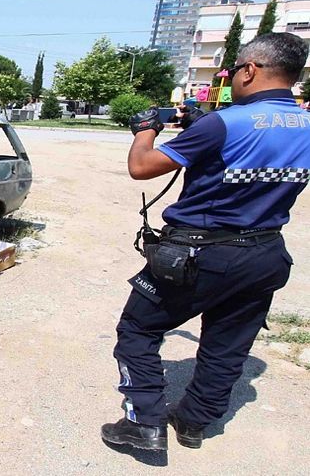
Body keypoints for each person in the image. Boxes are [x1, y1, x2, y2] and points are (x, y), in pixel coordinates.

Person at [101, 32, 310, 451]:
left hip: (201, 253)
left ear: (251, 70)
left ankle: (144, 421)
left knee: (139, 328)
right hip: (266, 253)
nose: (231, 78)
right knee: (227, 345)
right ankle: (194, 422)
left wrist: (144, 130)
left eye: (233, 71)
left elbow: (142, 167)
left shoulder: (225, 123)